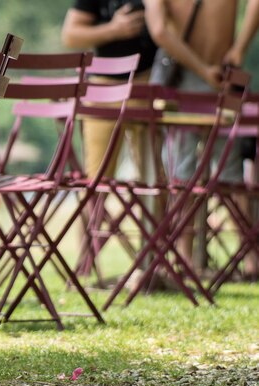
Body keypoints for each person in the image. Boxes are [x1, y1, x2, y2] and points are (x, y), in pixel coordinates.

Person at [144, 0, 259, 274]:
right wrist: (238, 48)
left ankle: (185, 260)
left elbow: (159, 30)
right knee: (230, 172)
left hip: (189, 77)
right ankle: (251, 257)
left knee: (182, 172)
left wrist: (202, 70)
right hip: (226, 73)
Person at [62, 0, 158, 180]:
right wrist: (114, 29)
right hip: (104, 87)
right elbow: (70, 35)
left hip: (149, 82)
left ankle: (157, 208)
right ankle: (94, 208)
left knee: (153, 176)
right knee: (97, 176)